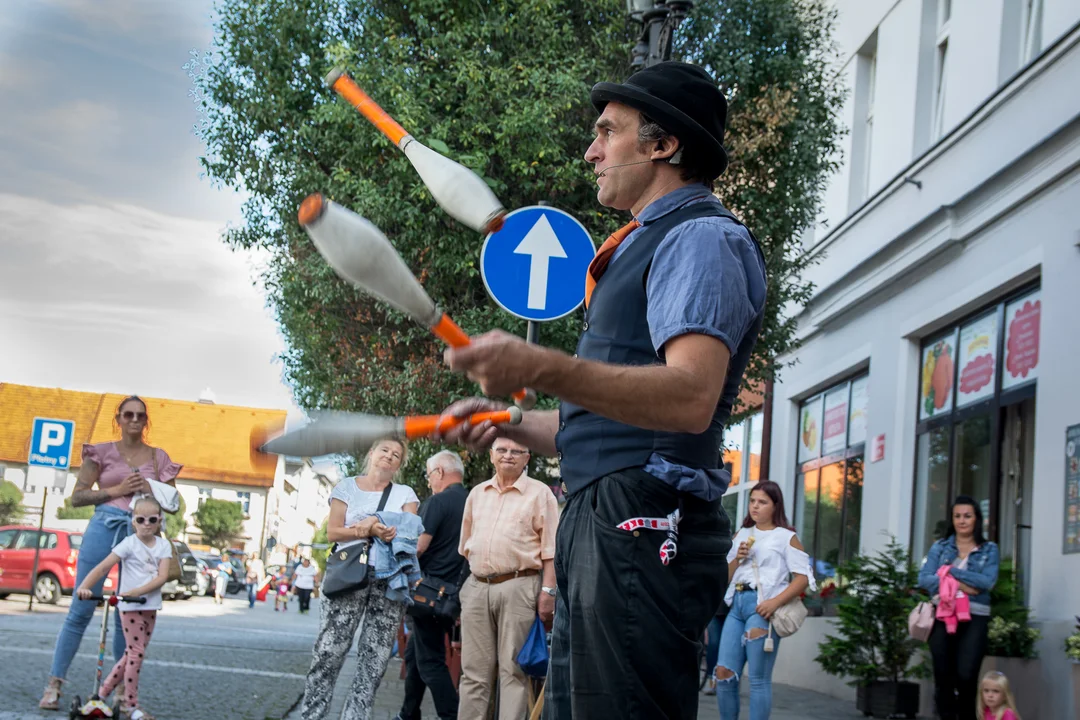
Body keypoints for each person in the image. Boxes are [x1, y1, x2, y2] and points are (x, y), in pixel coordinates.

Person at [438, 61, 765, 719]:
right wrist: (508, 424)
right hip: (608, 516)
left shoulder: (700, 238)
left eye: (607, 132)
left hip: (643, 523)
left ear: (662, 144)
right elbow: (598, 425)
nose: (591, 151)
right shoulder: (647, 244)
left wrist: (544, 365)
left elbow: (687, 397)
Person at [39, 396, 182, 711]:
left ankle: (121, 692)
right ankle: (54, 684)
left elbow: (173, 503)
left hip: (141, 535)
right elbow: (77, 498)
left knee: (127, 612)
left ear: (146, 421)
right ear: (118, 419)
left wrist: (149, 486)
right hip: (104, 526)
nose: (134, 420)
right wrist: (118, 490)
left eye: (140, 416)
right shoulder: (100, 452)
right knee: (80, 607)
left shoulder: (159, 458)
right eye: (128, 415)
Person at [301, 438, 419, 720]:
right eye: (384, 450)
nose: (389, 456)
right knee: (328, 653)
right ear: (371, 453)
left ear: (399, 464)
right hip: (348, 575)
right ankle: (311, 716)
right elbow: (333, 532)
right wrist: (368, 530)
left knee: (374, 660)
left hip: (389, 582)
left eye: (396, 455)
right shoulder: (347, 487)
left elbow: (409, 530)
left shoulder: (405, 493)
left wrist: (374, 521)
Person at [457, 437, 558, 720]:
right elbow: (466, 545)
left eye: (517, 451)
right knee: (473, 672)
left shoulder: (540, 494)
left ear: (527, 458)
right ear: (491, 455)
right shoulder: (477, 493)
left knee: (513, 670)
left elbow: (551, 549)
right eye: (502, 450)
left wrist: (548, 591)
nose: (508, 455)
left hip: (520, 586)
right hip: (477, 586)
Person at [714, 481, 814, 719]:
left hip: (762, 608)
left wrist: (775, 602)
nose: (755, 507)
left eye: (762, 502)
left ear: (775, 506)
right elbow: (725, 577)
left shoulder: (786, 537)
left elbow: (803, 578)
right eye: (752, 501)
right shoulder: (741, 534)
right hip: (736, 605)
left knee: (758, 679)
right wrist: (737, 559)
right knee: (723, 673)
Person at [75, 496, 174, 720]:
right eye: (141, 519)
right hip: (129, 608)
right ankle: (131, 705)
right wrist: (84, 587)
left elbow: (162, 577)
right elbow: (102, 567)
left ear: (159, 521)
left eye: (152, 519)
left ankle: (101, 694)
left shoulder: (163, 545)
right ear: (133, 521)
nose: (146, 524)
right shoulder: (129, 543)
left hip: (149, 606)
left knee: (132, 653)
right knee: (136, 654)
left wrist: (138, 592)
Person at [396, 450, 470, 720]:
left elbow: (417, 548)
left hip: (428, 595)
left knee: (431, 663)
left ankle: (451, 716)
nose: (429, 482)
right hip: (454, 596)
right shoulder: (473, 501)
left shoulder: (438, 502)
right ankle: (408, 713)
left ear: (439, 472)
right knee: (416, 657)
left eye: (429, 476)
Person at [918, 496, 1000, 720]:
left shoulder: (989, 549)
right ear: (952, 520)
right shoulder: (940, 547)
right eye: (957, 516)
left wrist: (949, 572)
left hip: (975, 617)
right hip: (942, 615)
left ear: (976, 519)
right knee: (943, 676)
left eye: (967, 516)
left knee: (967, 675)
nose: (962, 521)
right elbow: (924, 579)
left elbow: (987, 582)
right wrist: (965, 585)